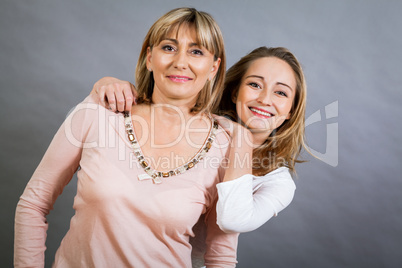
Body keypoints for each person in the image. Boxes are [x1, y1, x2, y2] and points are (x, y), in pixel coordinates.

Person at [14, 7, 240, 268]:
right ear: (149, 57)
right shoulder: (98, 112)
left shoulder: (226, 147)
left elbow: (220, 256)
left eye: (197, 51)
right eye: (168, 47)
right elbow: (33, 205)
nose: (180, 61)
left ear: (214, 67)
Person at [92, 46, 308, 234]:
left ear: (291, 110)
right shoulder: (193, 124)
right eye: (254, 85)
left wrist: (241, 139)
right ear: (235, 93)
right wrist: (107, 83)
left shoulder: (278, 183)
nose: (264, 99)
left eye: (281, 93)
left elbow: (231, 221)